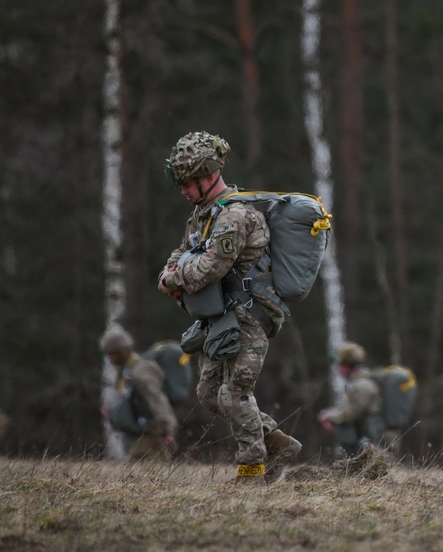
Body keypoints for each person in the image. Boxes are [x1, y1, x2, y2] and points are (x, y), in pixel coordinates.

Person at [158, 131, 301, 483]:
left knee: (234, 392)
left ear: (208, 176)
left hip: (250, 315)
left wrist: (174, 280)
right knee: (208, 392)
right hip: (222, 318)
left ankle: (251, 471)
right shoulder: (202, 215)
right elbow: (183, 252)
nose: (183, 190)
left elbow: (213, 266)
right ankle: (276, 441)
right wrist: (168, 270)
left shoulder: (234, 216)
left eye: (188, 183)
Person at [100, 328, 180, 460]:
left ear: (124, 351)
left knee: (143, 473)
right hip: (141, 432)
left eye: (113, 353)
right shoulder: (126, 373)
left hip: (153, 433)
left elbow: (157, 399)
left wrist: (167, 431)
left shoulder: (140, 372)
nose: (111, 358)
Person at [318, 342, 384, 459]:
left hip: (372, 440)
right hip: (366, 439)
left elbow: (352, 412)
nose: (338, 369)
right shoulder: (356, 384)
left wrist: (329, 416)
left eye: (339, 365)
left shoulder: (362, 385)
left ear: (346, 366)